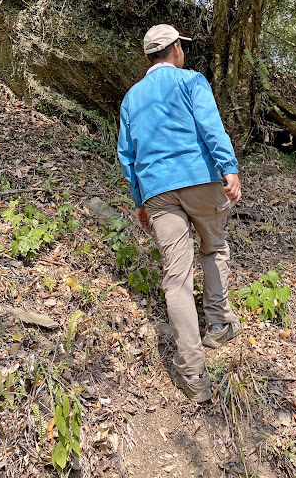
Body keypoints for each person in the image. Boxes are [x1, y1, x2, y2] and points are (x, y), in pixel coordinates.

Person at [117, 24, 242, 403]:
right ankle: (218, 325)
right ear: (173, 49)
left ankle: (193, 375)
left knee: (176, 277)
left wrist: (139, 200)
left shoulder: (130, 99)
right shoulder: (191, 81)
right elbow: (210, 126)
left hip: (157, 189)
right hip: (199, 179)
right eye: (181, 46)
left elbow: (127, 156)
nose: (183, 52)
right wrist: (229, 167)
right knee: (214, 248)